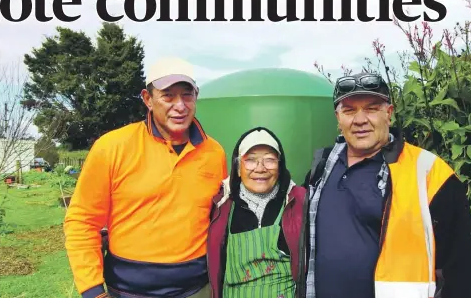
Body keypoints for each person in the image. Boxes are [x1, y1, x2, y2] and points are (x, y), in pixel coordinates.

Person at [301, 72, 471, 298]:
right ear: (338, 119)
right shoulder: (321, 169)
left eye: (371, 109)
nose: (359, 120)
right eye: (349, 111)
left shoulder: (428, 172)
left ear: (389, 113)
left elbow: (461, 269)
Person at [64, 57, 227, 298]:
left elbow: (220, 219)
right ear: (148, 99)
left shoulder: (214, 153)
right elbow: (82, 221)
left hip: (197, 289)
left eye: (187, 95)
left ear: (196, 96)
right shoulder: (112, 147)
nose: (180, 106)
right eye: (168, 95)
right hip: (127, 291)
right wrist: (92, 291)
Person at [207, 127, 307, 298]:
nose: (260, 168)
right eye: (251, 160)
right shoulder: (222, 207)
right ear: (238, 168)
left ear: (280, 166)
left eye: (269, 160)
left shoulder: (299, 202)